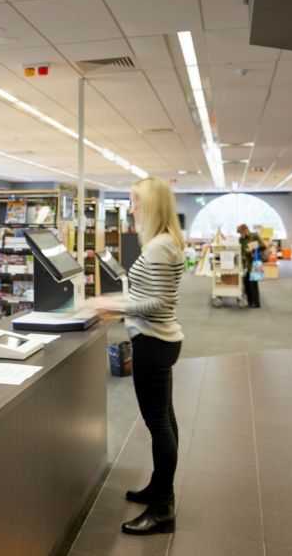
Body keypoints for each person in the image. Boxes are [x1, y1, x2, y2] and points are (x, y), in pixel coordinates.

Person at [86, 177, 185, 535]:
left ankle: (162, 510)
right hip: (161, 339)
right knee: (165, 420)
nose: (131, 208)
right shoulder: (165, 242)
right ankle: (159, 490)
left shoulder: (160, 246)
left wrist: (112, 304)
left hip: (153, 341)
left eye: (135, 201)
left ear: (152, 204)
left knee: (158, 423)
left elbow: (157, 302)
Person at [237, 224, 266, 308]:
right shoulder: (241, 239)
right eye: (239, 233)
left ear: (245, 230)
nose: (240, 235)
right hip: (246, 263)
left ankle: (255, 303)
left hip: (254, 262)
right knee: (246, 282)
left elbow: (263, 246)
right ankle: (250, 301)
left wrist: (252, 249)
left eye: (241, 233)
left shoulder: (254, 236)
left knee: (253, 283)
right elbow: (241, 250)